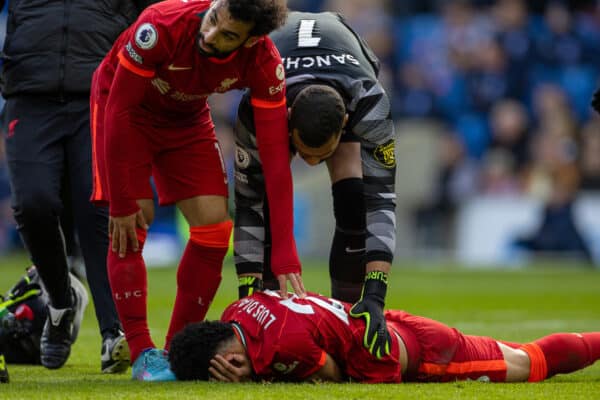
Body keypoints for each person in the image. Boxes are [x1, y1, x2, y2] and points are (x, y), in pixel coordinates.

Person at [91, 0, 304, 381]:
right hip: (124, 112)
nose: (209, 35)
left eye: (227, 36)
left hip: (185, 120)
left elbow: (274, 161)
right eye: (213, 21)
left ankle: (175, 352)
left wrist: (285, 254)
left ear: (251, 41)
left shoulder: (264, 62)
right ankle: (142, 352)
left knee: (214, 230)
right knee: (133, 222)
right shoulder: (160, 26)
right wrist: (121, 201)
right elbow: (120, 108)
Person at [0, 0, 157, 372]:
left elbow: (159, 19)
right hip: (29, 95)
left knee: (99, 208)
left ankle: (113, 332)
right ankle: (60, 304)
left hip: (100, 97)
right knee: (32, 205)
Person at [233, 11, 396, 358]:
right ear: (288, 123)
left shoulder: (369, 102)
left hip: (348, 69)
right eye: (304, 153)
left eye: (321, 154)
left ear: (348, 124)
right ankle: (266, 312)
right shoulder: (255, 106)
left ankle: (349, 319)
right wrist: (248, 290)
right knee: (262, 196)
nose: (309, 163)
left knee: (355, 200)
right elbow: (248, 204)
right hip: (280, 83)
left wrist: (375, 294)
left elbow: (382, 200)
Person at [169, 290, 600, 383]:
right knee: (511, 352)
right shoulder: (236, 310)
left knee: (525, 364)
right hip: (373, 320)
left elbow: (334, 376)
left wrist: (258, 376)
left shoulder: (284, 349)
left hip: (406, 351)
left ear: (220, 362)